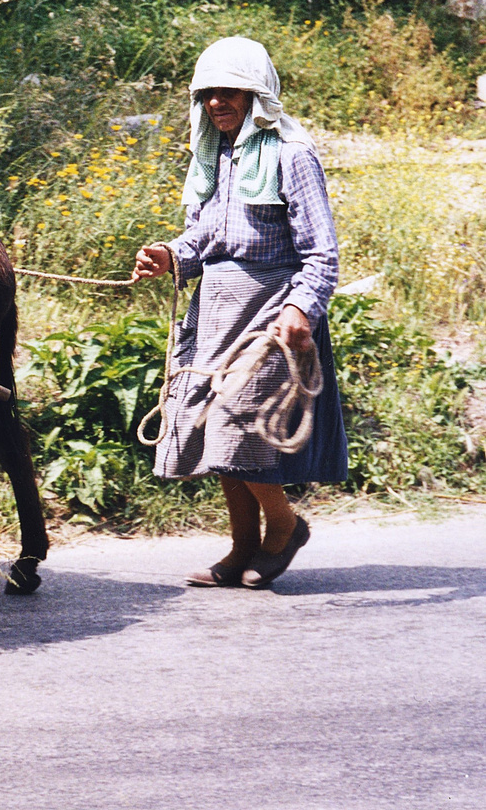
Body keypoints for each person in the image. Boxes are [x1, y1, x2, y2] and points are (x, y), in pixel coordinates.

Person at [134, 36, 346, 589]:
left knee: (236, 428)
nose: (215, 104)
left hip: (270, 312)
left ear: (258, 96)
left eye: (229, 92)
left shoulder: (292, 155)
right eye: (207, 94)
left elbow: (321, 251)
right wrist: (172, 255)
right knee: (211, 430)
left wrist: (302, 307)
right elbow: (207, 233)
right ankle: (241, 547)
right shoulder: (216, 156)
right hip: (216, 313)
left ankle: (284, 528)